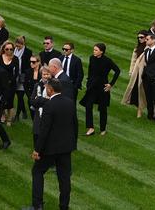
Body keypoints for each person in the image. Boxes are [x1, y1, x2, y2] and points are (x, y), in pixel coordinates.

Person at [29, 78, 77, 210]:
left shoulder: (49, 105)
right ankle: (64, 206)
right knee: (64, 178)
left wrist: (37, 150)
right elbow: (75, 125)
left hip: (50, 148)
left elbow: (44, 130)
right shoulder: (70, 103)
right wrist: (73, 144)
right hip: (66, 147)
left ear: (50, 90)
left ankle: (37, 205)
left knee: (37, 171)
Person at [80, 43, 120, 136]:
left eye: (96, 50)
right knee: (88, 105)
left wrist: (111, 84)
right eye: (94, 49)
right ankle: (90, 128)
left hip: (103, 88)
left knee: (103, 109)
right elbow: (90, 71)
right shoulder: (91, 58)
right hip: (92, 87)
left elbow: (117, 71)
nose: (94, 51)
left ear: (101, 51)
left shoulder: (107, 61)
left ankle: (103, 129)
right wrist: (89, 81)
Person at [121, 31, 149, 118]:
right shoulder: (137, 48)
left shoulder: (149, 48)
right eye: (138, 38)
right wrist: (131, 71)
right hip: (137, 74)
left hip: (147, 73)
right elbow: (133, 61)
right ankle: (139, 111)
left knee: (147, 93)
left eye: (141, 37)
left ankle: (151, 111)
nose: (140, 39)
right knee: (138, 92)